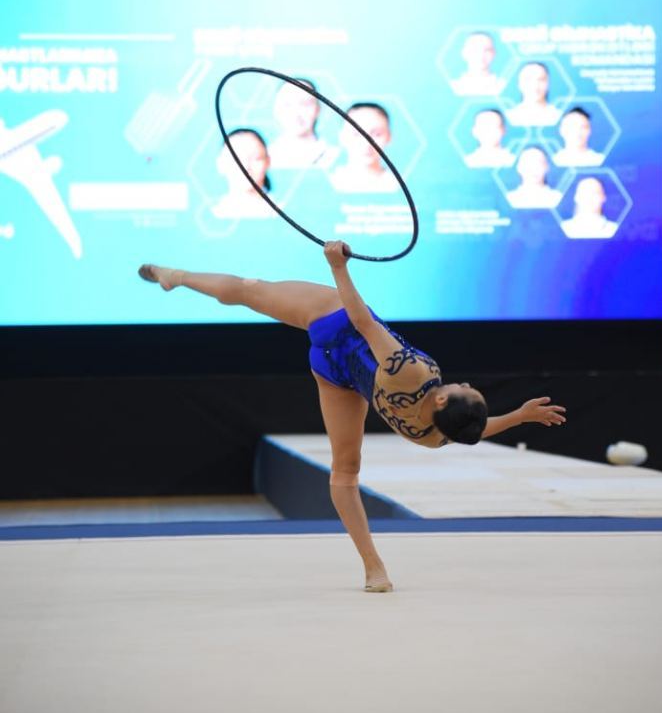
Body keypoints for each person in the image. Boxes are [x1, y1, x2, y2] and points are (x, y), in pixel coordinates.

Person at [138, 244, 566, 593]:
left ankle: (178, 276)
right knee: (344, 473)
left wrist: (337, 266)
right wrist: (520, 417)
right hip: (336, 378)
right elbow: (473, 432)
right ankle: (373, 568)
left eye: (466, 390)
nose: (468, 383)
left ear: (441, 402)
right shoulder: (428, 436)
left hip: (332, 319)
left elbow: (360, 320)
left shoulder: (415, 371)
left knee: (252, 289)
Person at [268, 78, 338, 169]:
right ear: (276, 110)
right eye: (287, 105)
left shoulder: (335, 157)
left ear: (318, 109)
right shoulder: (264, 158)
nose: (296, 113)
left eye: (305, 104)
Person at [329, 102, 397, 193]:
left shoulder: (397, 186)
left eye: (377, 134)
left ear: (389, 137)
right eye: (356, 134)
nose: (367, 143)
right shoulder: (331, 183)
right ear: (342, 137)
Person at [211, 128, 275, 220]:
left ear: (268, 161)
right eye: (236, 158)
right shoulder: (215, 214)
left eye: (255, 158)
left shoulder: (284, 213)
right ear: (220, 164)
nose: (245, 166)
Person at [507, 62, 563, 127]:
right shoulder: (510, 118)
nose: (535, 85)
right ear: (519, 84)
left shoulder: (559, 117)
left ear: (548, 83)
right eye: (528, 80)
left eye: (541, 79)